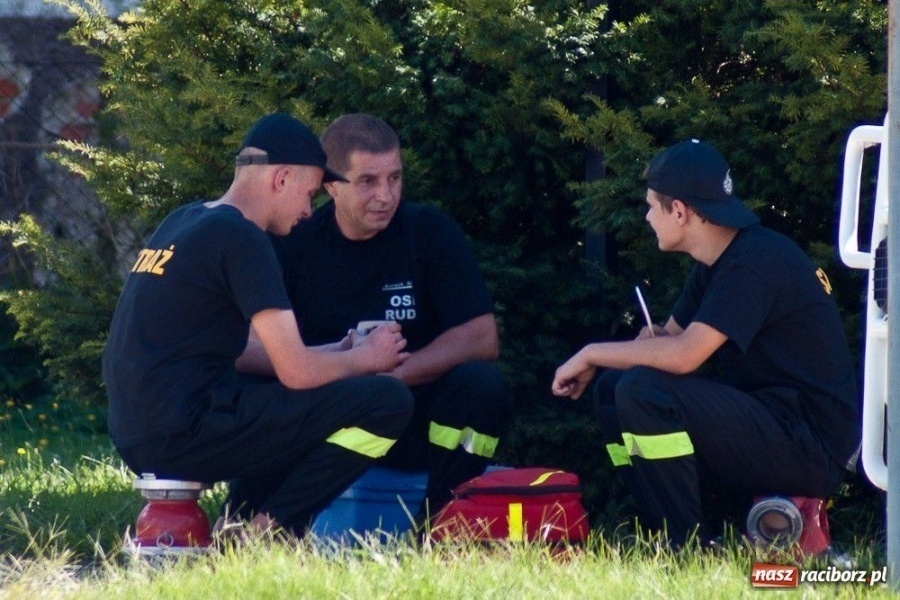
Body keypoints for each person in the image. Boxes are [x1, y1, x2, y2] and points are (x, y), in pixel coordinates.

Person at [102, 113, 415, 536]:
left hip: (138, 431)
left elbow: (236, 350)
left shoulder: (186, 220)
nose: (308, 211)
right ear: (281, 178)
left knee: (285, 405)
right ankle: (267, 531)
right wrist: (369, 357)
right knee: (387, 402)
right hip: (187, 430)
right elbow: (298, 373)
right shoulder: (244, 239)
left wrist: (339, 352)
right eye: (308, 194)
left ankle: (239, 523)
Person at [551, 139, 860, 547]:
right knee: (613, 389)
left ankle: (684, 544)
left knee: (642, 391)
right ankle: (664, 530)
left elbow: (683, 357)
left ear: (678, 211)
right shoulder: (717, 259)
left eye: (650, 206)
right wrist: (648, 342)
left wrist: (591, 353)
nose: (646, 217)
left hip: (809, 445)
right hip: (773, 423)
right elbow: (674, 340)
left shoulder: (753, 263)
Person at [262, 113, 513, 515]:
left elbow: (481, 337)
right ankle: (264, 525)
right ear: (330, 185)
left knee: (482, 384)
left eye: (394, 178)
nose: (386, 195)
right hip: (329, 415)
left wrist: (392, 378)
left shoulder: (428, 230)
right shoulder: (294, 241)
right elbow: (262, 348)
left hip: (415, 415)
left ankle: (444, 523)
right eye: (367, 182)